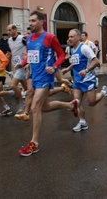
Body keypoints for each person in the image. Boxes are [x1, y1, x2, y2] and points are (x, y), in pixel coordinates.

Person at [16, 11, 78, 156]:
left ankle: (34, 143)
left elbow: (62, 54)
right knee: (44, 106)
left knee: (35, 107)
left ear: (41, 21)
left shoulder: (50, 37)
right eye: (29, 21)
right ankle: (70, 105)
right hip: (34, 76)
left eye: (33, 21)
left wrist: (54, 67)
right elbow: (30, 56)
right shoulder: (29, 38)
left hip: (45, 76)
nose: (30, 23)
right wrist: (23, 63)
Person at [65, 29, 107, 132]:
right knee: (77, 102)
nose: (69, 39)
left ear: (78, 38)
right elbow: (76, 62)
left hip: (88, 79)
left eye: (72, 37)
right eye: (69, 37)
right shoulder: (71, 50)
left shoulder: (84, 48)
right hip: (77, 80)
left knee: (91, 102)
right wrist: (67, 69)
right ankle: (82, 122)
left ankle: (104, 91)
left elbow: (96, 61)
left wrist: (86, 70)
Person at [6, 24, 27, 113]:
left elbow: (30, 48)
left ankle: (22, 102)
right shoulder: (9, 40)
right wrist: (10, 55)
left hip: (22, 65)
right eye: (7, 30)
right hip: (15, 65)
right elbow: (13, 51)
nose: (8, 32)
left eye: (10, 30)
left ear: (15, 29)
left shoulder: (23, 38)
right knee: (26, 87)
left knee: (13, 85)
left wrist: (26, 56)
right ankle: (38, 99)